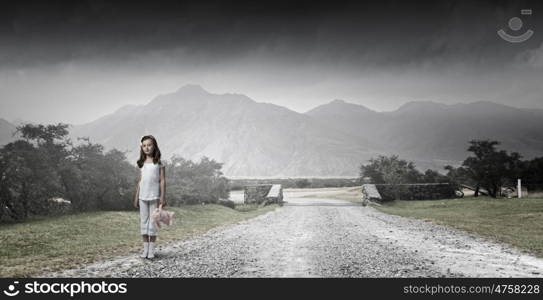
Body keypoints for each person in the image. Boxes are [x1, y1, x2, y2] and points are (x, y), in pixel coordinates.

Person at [133, 135, 166, 259]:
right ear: (142, 148)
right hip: (142, 197)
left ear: (154, 146)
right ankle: (145, 250)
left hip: (154, 196)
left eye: (149, 145)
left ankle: (151, 250)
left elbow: (162, 180)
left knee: (153, 222)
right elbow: (140, 182)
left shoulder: (159, 163)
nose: (147, 147)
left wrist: (163, 197)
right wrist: (136, 197)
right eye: (144, 145)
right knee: (143, 222)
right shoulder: (141, 163)